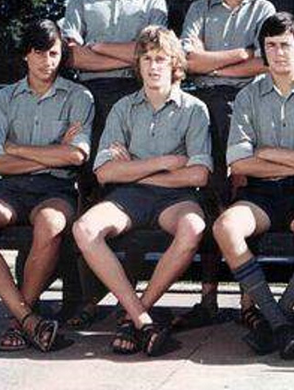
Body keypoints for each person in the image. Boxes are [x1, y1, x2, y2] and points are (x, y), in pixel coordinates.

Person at [71, 26, 212, 357]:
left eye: (161, 58)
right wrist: (165, 162)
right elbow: (105, 172)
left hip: (175, 199)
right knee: (84, 228)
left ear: (174, 63)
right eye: (146, 58)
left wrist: (134, 167)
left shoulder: (194, 109)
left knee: (194, 227)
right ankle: (142, 320)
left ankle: (136, 312)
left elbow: (199, 174)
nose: (153, 66)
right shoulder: (123, 108)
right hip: (128, 198)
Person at [213, 12, 294, 359]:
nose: (278, 53)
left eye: (285, 45)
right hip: (259, 194)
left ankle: (276, 316)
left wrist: (269, 152)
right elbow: (239, 162)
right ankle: (282, 324)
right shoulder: (248, 96)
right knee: (226, 226)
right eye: (270, 46)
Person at [59, 0, 168, 329]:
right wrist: (123, 54)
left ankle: (131, 297)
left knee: (129, 197)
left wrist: (99, 47)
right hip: (89, 101)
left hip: (136, 101)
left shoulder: (153, 3)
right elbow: (73, 59)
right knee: (87, 199)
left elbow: (151, 56)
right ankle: (81, 299)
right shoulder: (81, 0)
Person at [0, 19, 94, 352]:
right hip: (10, 190)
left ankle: (19, 320)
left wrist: (16, 148)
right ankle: (27, 318)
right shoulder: (4, 99)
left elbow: (76, 156)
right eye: (39, 52)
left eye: (54, 53)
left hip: (55, 191)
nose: (47, 61)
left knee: (51, 223)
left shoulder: (78, 97)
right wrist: (51, 155)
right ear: (26, 55)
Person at [176, 0, 275, 329]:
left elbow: (265, 61)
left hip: (251, 107)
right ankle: (208, 298)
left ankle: (249, 301)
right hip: (208, 107)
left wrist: (211, 63)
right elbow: (186, 60)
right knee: (211, 199)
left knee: (243, 199)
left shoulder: (263, 8)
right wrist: (237, 55)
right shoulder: (200, 8)